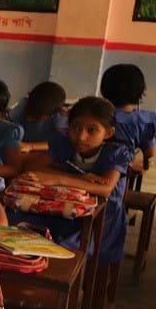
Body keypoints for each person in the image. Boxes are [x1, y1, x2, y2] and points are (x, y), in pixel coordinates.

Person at [15, 97, 135, 267]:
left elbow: (105, 189)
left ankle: (68, 285)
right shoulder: (64, 142)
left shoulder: (116, 153)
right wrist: (80, 179)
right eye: (76, 127)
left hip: (101, 218)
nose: (81, 137)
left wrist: (57, 178)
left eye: (92, 130)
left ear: (108, 133)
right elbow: (32, 168)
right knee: (21, 227)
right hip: (64, 209)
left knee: (64, 250)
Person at [100, 63, 156, 171]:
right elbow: (149, 156)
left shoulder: (93, 113)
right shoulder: (147, 121)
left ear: (104, 88)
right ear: (140, 91)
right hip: (121, 176)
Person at [10, 81, 68, 152]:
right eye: (28, 112)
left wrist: (31, 146)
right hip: (22, 147)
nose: (29, 119)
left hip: (44, 151)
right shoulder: (24, 103)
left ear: (52, 115)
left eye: (35, 117)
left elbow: (60, 142)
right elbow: (8, 124)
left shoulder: (60, 115)